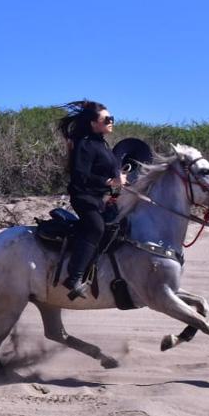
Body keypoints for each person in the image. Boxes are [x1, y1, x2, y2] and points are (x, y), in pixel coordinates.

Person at [56, 100, 128, 300]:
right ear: (93, 123)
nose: (111, 121)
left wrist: (120, 181)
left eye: (112, 118)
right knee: (96, 228)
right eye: (107, 119)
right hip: (84, 198)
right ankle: (74, 277)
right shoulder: (85, 145)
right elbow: (80, 175)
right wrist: (110, 182)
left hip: (101, 198)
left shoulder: (102, 144)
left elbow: (109, 173)